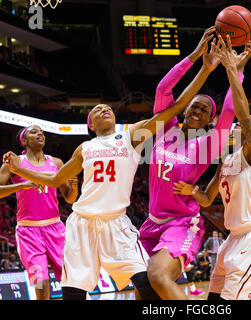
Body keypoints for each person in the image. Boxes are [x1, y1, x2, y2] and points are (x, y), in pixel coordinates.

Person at [2, 34, 218, 300]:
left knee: (147, 284)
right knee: (73, 293)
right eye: (97, 109)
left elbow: (178, 106)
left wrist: (203, 65)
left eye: (108, 107)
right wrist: (18, 169)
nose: (104, 108)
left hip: (116, 224)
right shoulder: (84, 149)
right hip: (82, 224)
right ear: (90, 125)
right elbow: (55, 180)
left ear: (116, 118)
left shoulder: (131, 136)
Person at [139, 27, 251, 300]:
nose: (197, 110)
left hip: (182, 223)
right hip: (151, 223)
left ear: (209, 121)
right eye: (194, 105)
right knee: (144, 289)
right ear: (185, 108)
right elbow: (163, 88)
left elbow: (229, 110)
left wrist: (235, 71)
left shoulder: (206, 145)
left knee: (156, 275)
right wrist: (198, 60)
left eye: (204, 109)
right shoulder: (166, 127)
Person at [174, 36, 251, 300]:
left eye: (248, 126)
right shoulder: (227, 159)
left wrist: (234, 69)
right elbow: (208, 199)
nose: (239, 126)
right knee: (213, 301)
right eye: (242, 125)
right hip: (231, 240)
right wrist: (192, 190)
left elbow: (241, 112)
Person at [0, 125, 78, 300]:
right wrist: (21, 185)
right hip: (29, 231)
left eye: (41, 132)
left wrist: (73, 187)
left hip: (56, 228)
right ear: (24, 141)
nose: (40, 134)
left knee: (71, 277)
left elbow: (70, 198)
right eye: (34, 132)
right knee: (40, 284)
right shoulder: (14, 163)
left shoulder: (56, 162)